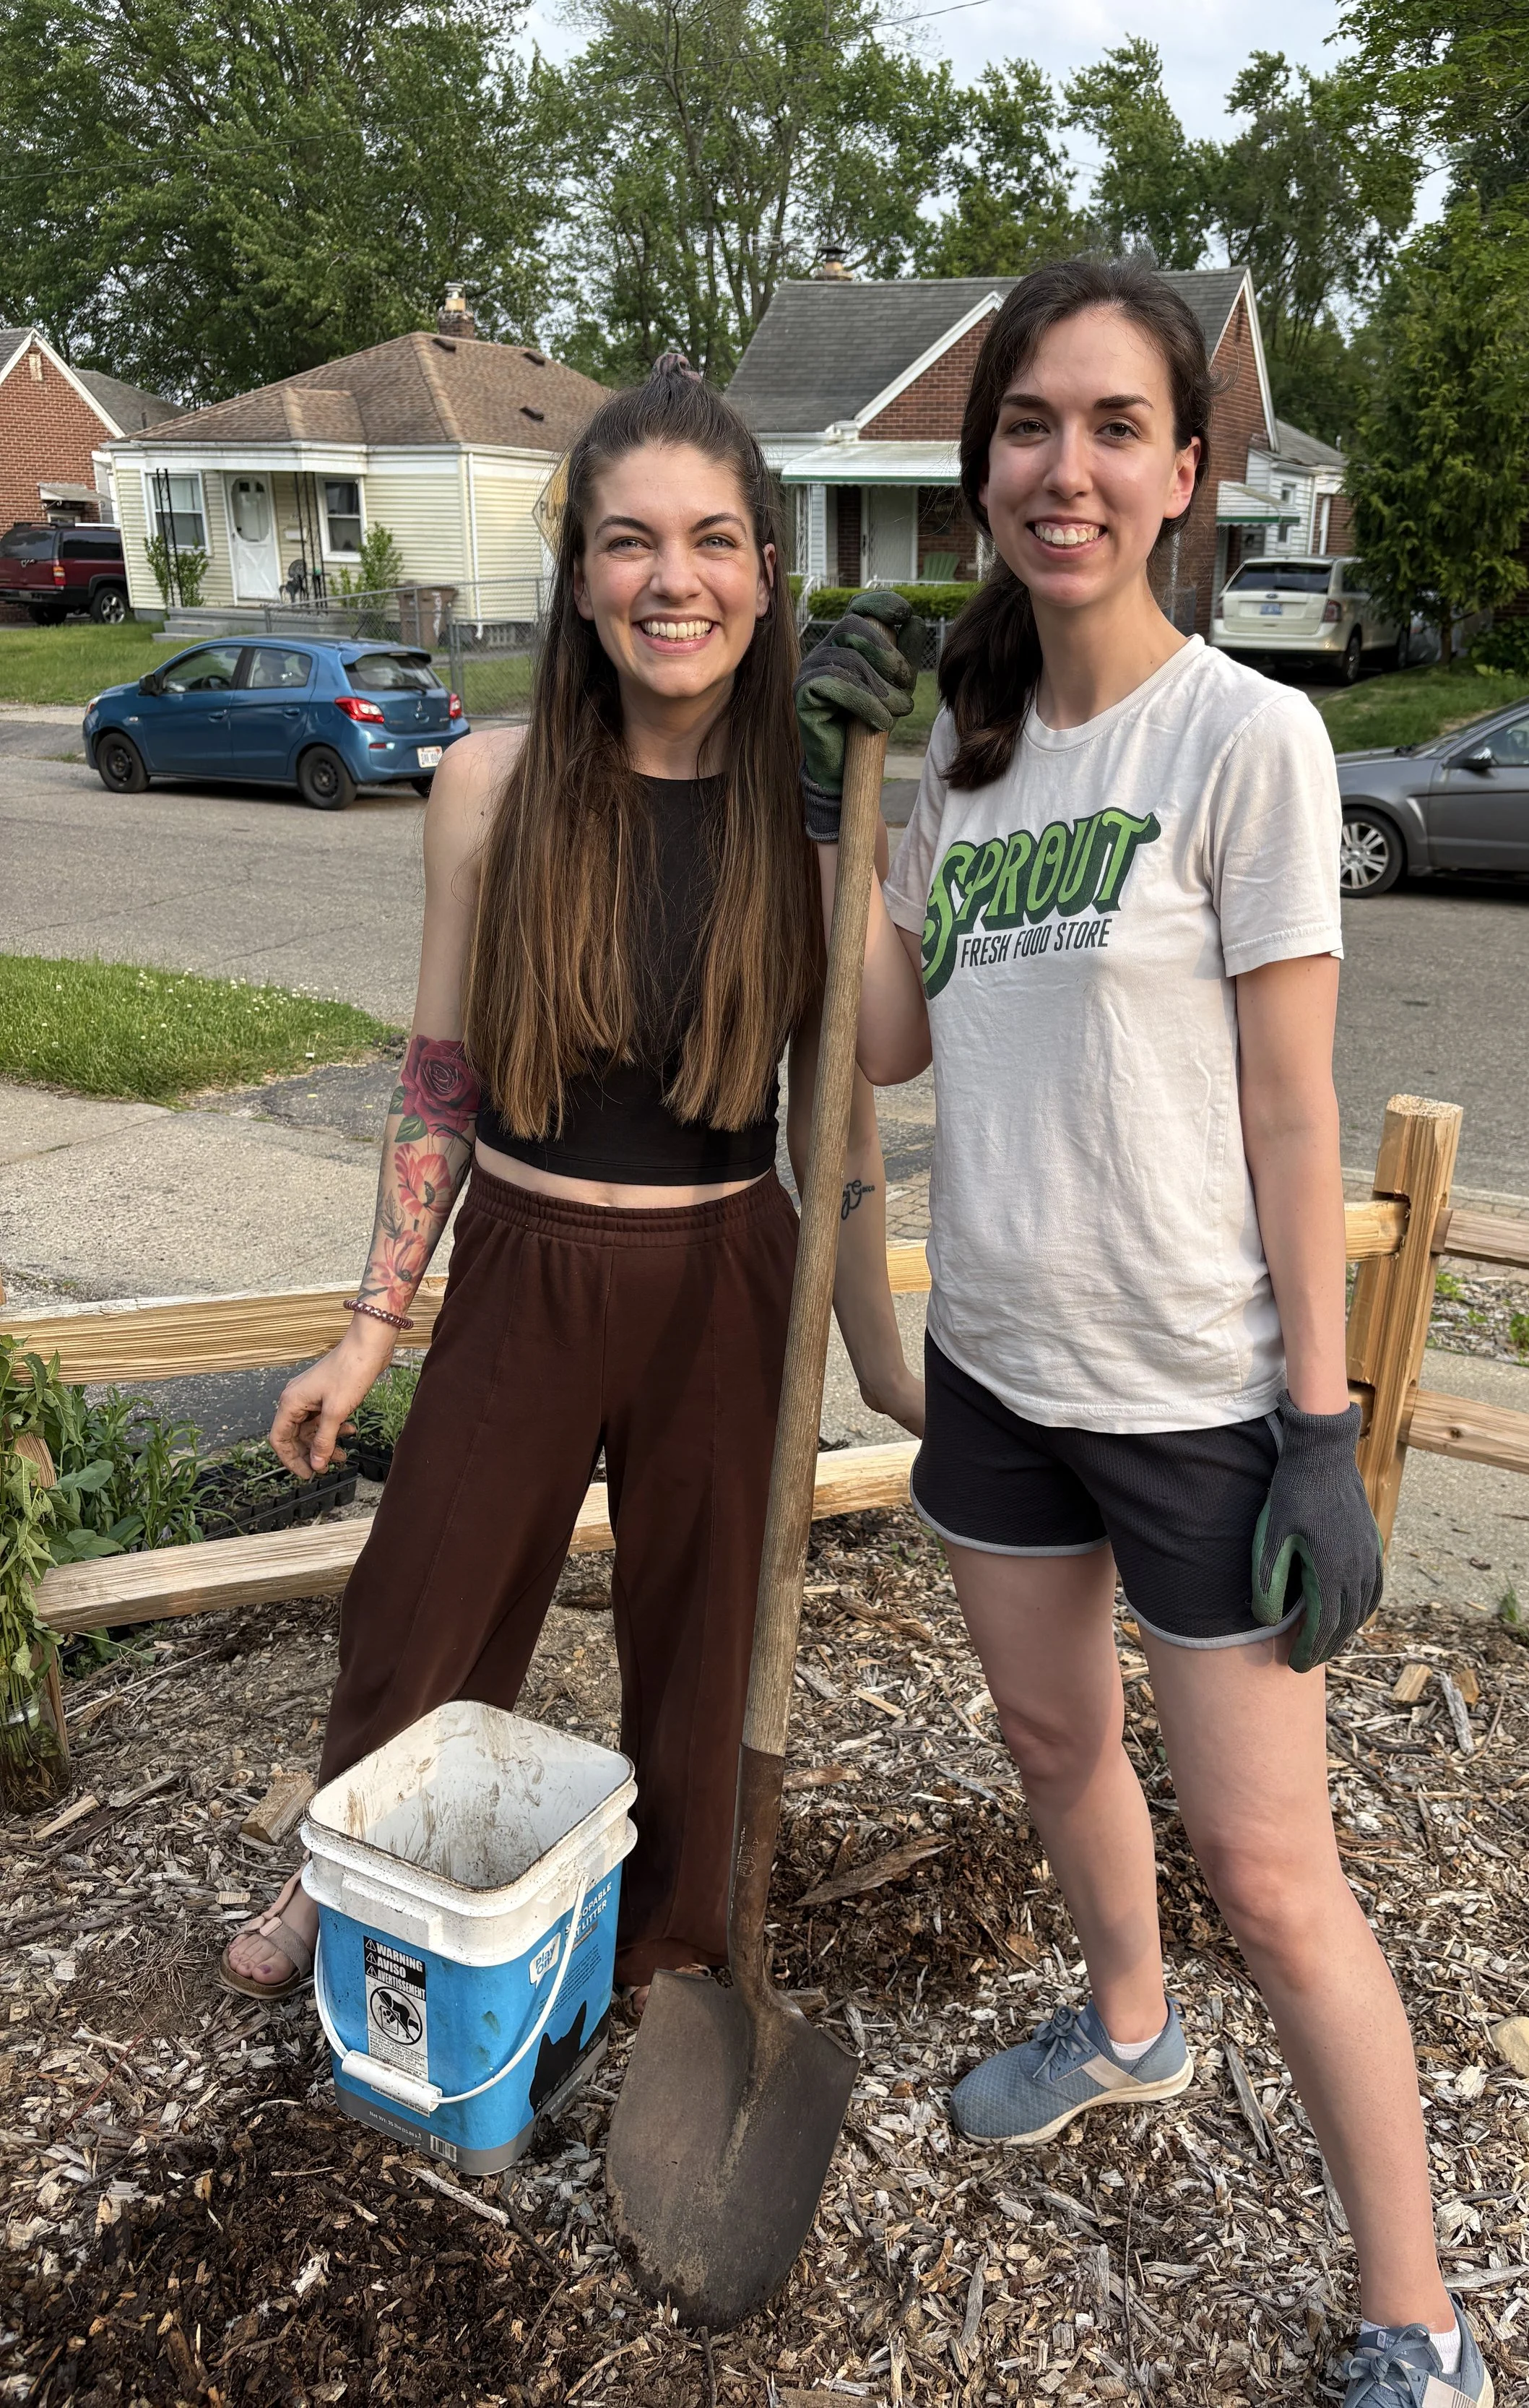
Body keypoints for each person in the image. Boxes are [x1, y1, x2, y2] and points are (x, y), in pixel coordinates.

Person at [796, 262, 1493, 2408]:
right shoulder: (974, 754)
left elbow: (1294, 1111)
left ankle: (1416, 2317)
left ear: (1186, 474)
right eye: (1028, 425)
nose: (1064, 467)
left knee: (1278, 1877)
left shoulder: (1246, 738)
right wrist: (847, 791)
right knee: (1045, 1742)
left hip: (1201, 1401)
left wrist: (1318, 1420)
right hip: (1005, 1367)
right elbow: (897, 1046)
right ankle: (1124, 2022)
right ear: (980, 461)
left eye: (1114, 427)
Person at [223, 358, 923, 2014]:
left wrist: (851, 824)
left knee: (704, 1643)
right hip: (529, 1265)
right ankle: (350, 1876)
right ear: (581, 578)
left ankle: (675, 1940)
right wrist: (365, 1329)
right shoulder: (489, 786)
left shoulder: (806, 816)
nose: (670, 579)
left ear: (764, 574)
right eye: (628, 543)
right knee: (423, 1599)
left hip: (722, 1280)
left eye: (711, 542)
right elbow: (441, 1080)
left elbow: (869, 1072)